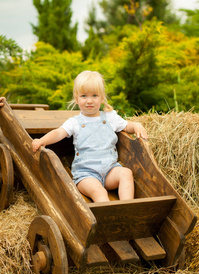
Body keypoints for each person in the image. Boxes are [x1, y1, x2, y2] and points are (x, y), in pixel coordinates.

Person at [1, 71, 148, 203]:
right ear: (76, 99)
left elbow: (126, 125)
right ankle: (108, 216)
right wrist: (42, 140)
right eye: (84, 96)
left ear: (102, 98)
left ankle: (127, 208)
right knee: (99, 192)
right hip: (86, 175)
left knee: (126, 173)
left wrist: (136, 126)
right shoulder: (75, 122)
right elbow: (59, 132)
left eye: (94, 96)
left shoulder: (109, 117)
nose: (89, 101)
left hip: (110, 171)